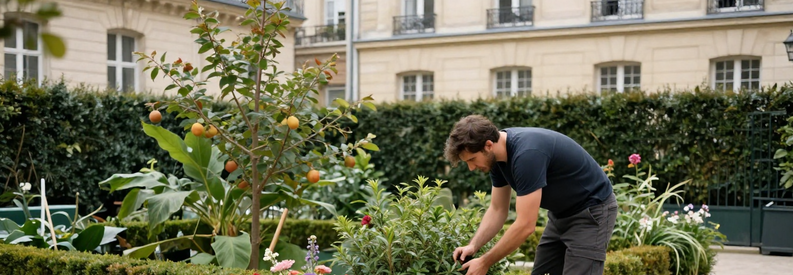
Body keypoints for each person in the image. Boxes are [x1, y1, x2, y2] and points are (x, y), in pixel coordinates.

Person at [445, 115, 618, 275]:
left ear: (488, 145)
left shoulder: (526, 155)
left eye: (472, 159)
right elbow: (498, 210)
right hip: (560, 215)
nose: (471, 168)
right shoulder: (496, 158)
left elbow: (525, 225)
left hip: (592, 212)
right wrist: (473, 246)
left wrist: (484, 262)